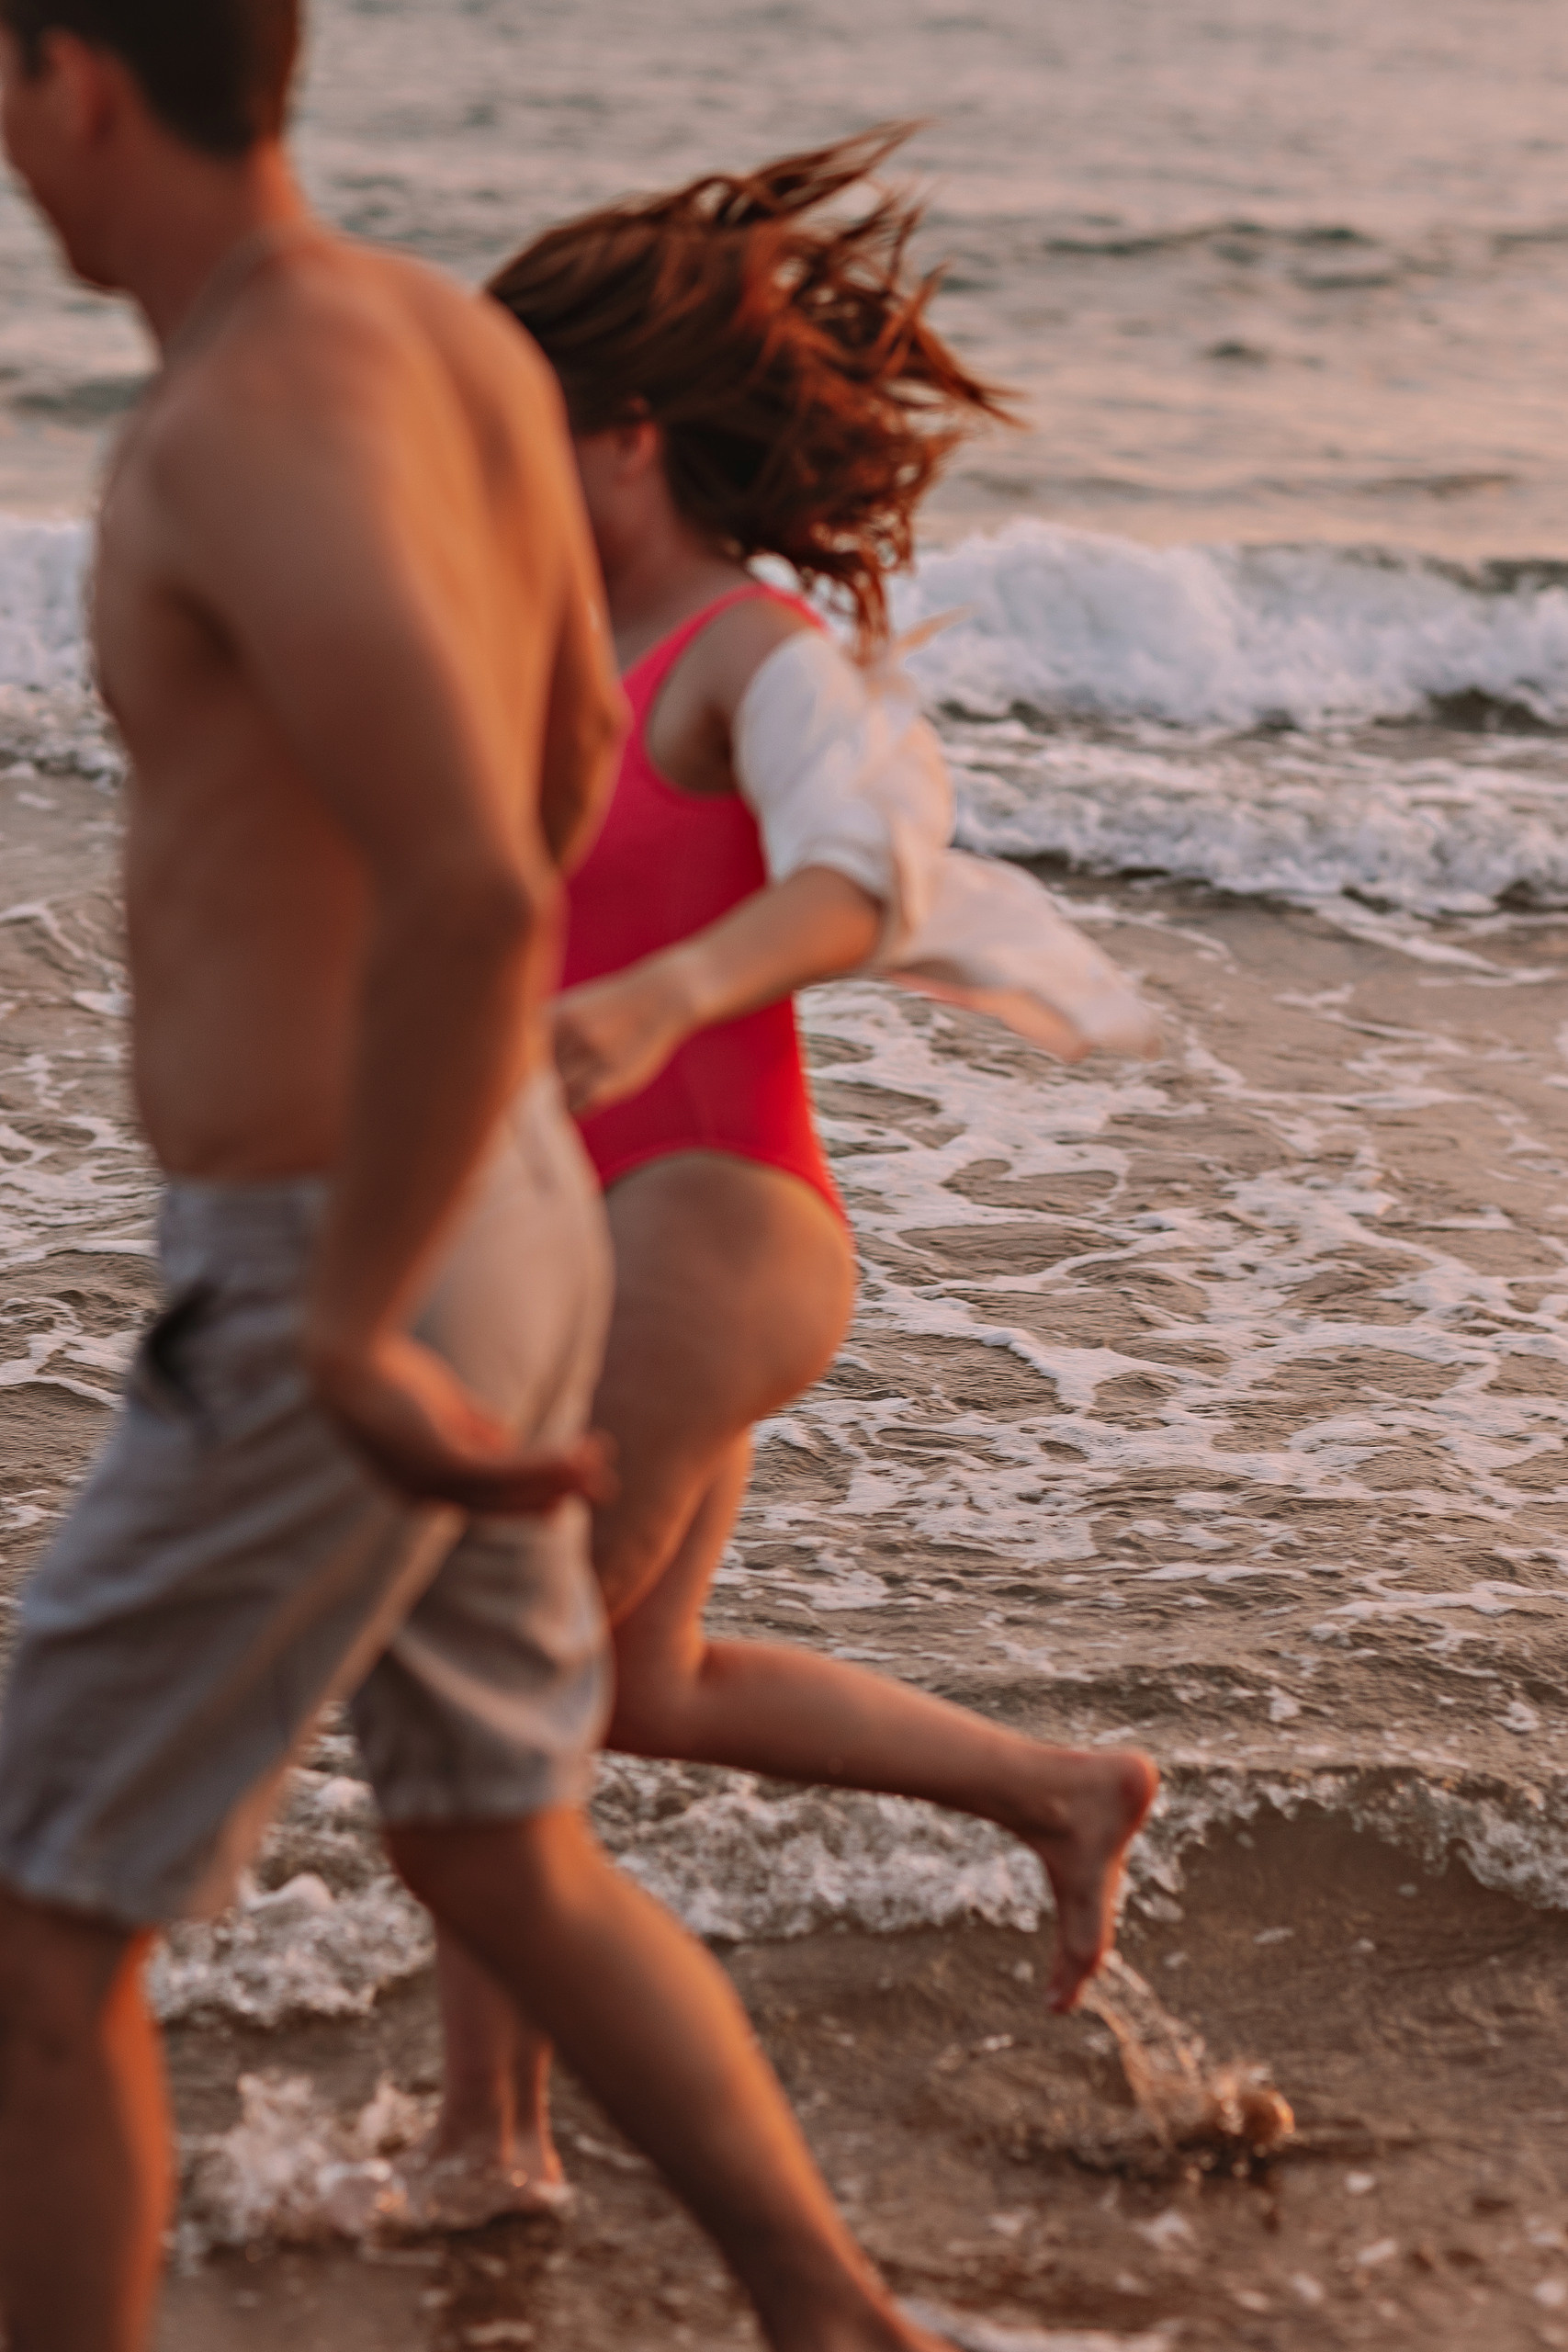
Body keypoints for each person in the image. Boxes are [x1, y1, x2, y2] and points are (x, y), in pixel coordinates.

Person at [0, 16, 961, 2352]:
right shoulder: (437, 347)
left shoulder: (253, 401)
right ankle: (836, 2318)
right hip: (510, 1198)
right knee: (492, 1836)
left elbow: (465, 861)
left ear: (77, 79)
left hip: (343, 1238)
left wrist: (344, 1313)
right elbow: (563, 748)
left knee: (36, 1915)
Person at [413, 130, 1160, 2229]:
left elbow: (856, 873)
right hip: (609, 1229)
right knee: (639, 1684)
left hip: (711, 1217)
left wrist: (671, 991)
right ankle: (1056, 1787)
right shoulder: (549, 656)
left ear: (627, 435)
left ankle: (492, 2148)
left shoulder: (745, 657)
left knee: (502, 1687)